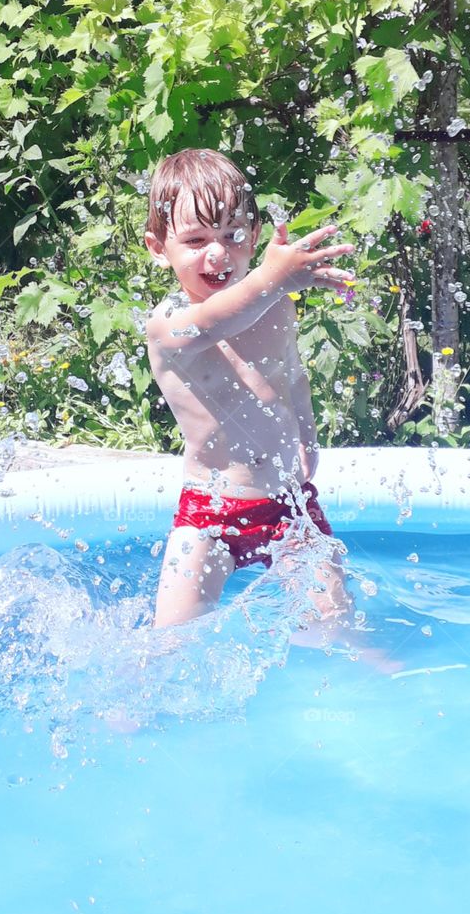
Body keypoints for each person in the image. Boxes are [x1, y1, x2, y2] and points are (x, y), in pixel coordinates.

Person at [144, 147, 359, 646]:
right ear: (159, 247)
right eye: (195, 240)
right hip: (211, 513)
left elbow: (292, 375)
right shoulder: (167, 323)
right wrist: (271, 277)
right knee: (169, 646)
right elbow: (222, 317)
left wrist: (307, 432)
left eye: (232, 235)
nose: (217, 254)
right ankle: (128, 716)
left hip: (291, 504)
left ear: (255, 234)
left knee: (337, 629)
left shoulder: (275, 304)